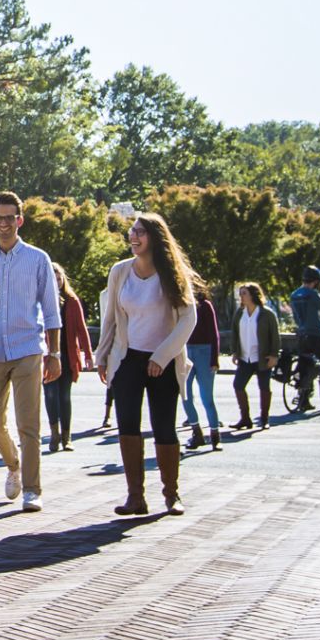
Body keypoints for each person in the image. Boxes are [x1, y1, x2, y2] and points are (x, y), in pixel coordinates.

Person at [94, 211, 201, 516]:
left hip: (162, 362)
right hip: (127, 357)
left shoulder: (173, 273)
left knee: (164, 425)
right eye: (132, 231)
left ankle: (172, 495)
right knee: (127, 424)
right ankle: (135, 497)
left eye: (140, 232)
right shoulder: (120, 272)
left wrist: (162, 356)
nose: (134, 237)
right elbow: (111, 318)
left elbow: (188, 319)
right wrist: (103, 356)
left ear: (155, 237)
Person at [0, 191, 62, 512]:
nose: (2, 223)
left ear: (20, 220)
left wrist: (54, 354)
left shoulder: (37, 259)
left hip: (28, 349)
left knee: (29, 424)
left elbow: (51, 311)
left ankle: (32, 488)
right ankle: (13, 463)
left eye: (8, 217)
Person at [42, 262, 92, 453]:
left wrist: (88, 354)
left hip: (67, 358)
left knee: (64, 396)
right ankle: (54, 434)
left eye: (59, 277)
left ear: (63, 279)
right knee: (50, 394)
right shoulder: (42, 301)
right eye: (52, 278)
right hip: (47, 358)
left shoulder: (72, 301)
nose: (56, 281)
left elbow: (81, 329)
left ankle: (67, 436)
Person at [289, 264, 320, 414]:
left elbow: (296, 318)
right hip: (316, 334)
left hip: (302, 335)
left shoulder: (294, 295)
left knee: (306, 367)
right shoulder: (312, 294)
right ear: (316, 281)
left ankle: (304, 400)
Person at [231, 281, 280, 429]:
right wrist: (235, 352)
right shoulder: (240, 313)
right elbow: (235, 333)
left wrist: (274, 355)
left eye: (244, 293)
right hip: (245, 357)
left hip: (262, 358)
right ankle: (245, 418)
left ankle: (264, 419)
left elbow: (275, 336)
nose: (241, 296)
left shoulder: (267, 314)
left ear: (253, 295)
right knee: (238, 385)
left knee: (264, 387)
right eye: (240, 294)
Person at [180, 292, 222, 453]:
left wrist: (214, 359)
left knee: (207, 397)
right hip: (186, 350)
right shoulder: (181, 303)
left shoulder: (205, 305)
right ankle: (196, 431)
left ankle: (215, 435)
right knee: (185, 396)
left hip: (205, 351)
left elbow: (214, 333)